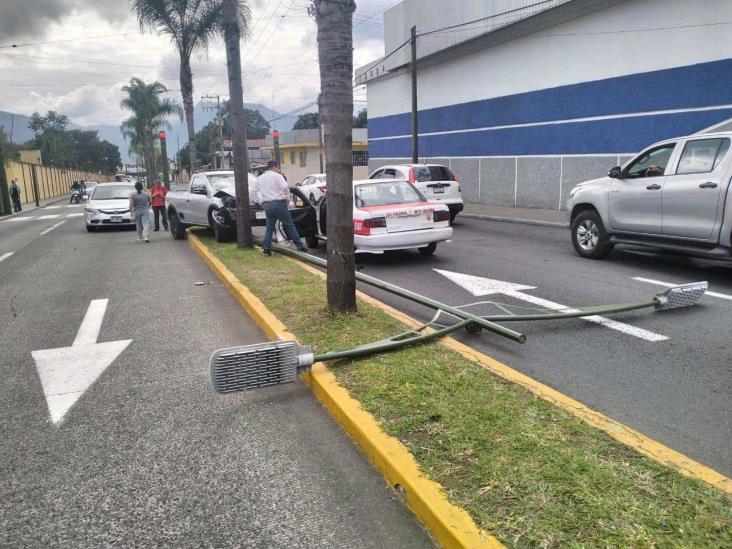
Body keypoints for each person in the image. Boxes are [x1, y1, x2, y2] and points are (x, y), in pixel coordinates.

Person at [253, 160, 306, 256]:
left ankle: (266, 249)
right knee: (290, 225)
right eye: (278, 168)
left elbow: (252, 192)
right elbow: (285, 187)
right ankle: (300, 246)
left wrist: (261, 201)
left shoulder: (259, 178)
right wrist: (286, 198)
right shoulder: (278, 176)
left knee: (269, 227)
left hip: (268, 205)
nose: (279, 170)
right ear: (274, 167)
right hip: (279, 203)